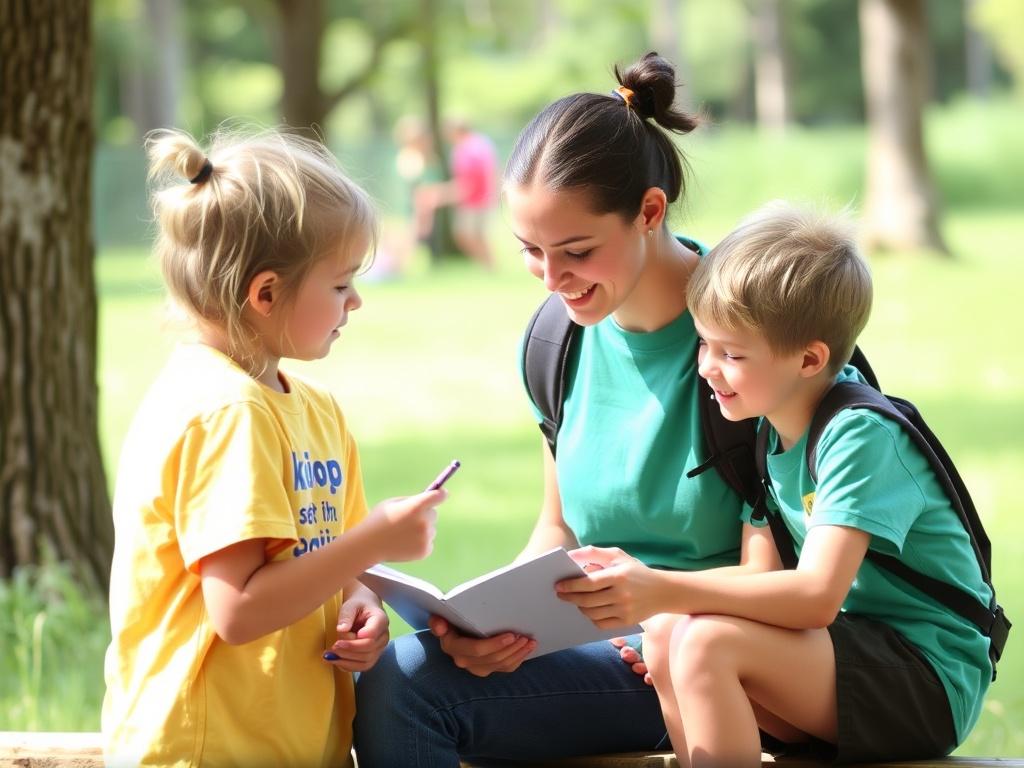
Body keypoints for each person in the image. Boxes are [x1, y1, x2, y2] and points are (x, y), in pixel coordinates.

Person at [354, 52, 773, 766]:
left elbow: (794, 575)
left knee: (409, 686)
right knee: (414, 666)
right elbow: (561, 527)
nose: (552, 279)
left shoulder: (755, 338)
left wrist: (657, 603)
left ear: (649, 212)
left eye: (576, 251)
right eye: (530, 251)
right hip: (602, 640)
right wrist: (494, 624)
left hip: (705, 656)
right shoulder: (556, 342)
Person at [558, 202, 993, 766]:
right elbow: (759, 575)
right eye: (704, 343)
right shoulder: (770, 430)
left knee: (706, 642)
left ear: (809, 359)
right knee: (666, 634)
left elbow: (815, 597)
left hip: (928, 677)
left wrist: (662, 587)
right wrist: (644, 594)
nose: (707, 367)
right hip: (852, 655)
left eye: (732, 353)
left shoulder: (857, 435)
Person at [100, 127, 447, 767]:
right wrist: (374, 540)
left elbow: (335, 565)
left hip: (289, 745)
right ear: (265, 294)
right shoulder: (225, 413)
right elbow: (236, 609)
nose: (356, 301)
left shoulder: (315, 411)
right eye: (340, 285)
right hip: (208, 751)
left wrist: (362, 605)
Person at [417, 117, 498, 269]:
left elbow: (466, 184)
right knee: (477, 236)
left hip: (474, 201)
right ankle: (489, 268)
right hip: (485, 198)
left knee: (465, 235)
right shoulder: (482, 143)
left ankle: (489, 267)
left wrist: (440, 195)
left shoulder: (464, 150)